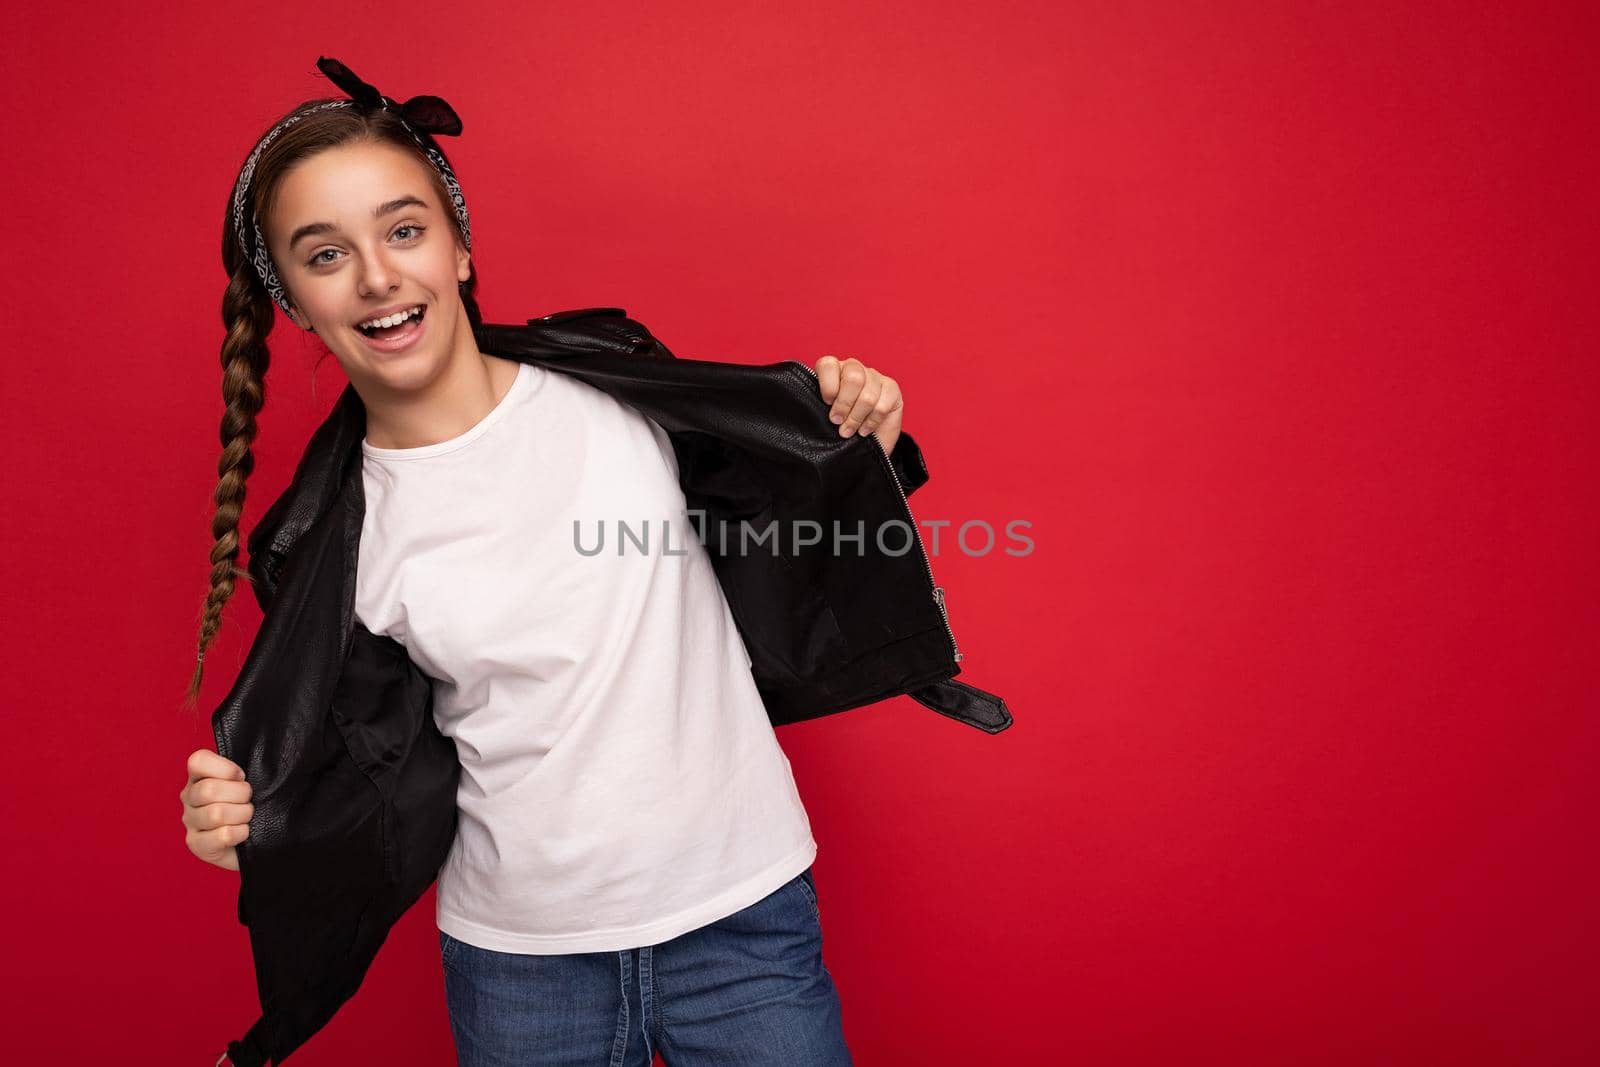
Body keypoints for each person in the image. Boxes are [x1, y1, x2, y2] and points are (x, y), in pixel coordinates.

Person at [178, 57, 916, 1066]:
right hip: (521, 970)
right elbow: (362, 771)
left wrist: (854, 429)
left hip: (744, 916)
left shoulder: (614, 392)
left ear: (460, 248)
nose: (378, 276)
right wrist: (250, 833)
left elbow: (785, 524)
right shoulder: (332, 544)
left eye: (404, 230)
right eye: (324, 254)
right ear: (295, 305)